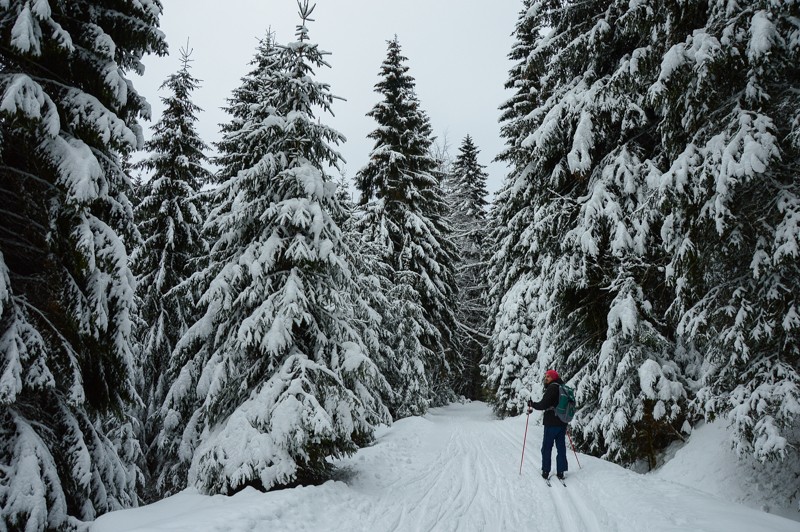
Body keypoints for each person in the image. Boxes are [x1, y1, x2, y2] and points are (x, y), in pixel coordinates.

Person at [527, 369, 568, 480]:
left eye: (548, 376)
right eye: (546, 376)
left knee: (547, 447)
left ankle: (545, 471)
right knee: (561, 447)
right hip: (562, 422)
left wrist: (533, 404)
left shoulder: (552, 388)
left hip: (551, 423)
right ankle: (561, 472)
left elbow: (543, 405)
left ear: (553, 377)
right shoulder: (562, 387)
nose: (546, 378)